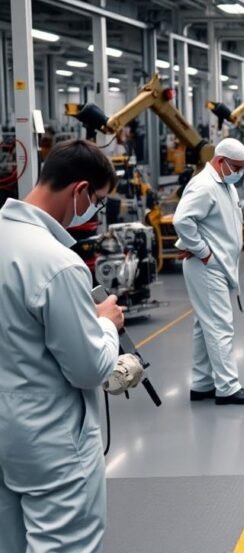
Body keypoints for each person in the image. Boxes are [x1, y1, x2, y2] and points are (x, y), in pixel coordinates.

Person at [0, 139, 144, 553]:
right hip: (50, 436)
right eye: (97, 201)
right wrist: (106, 324)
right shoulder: (56, 262)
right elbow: (88, 368)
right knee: (65, 543)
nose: (95, 211)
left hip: (7, 428)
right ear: (79, 190)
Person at [174, 138, 244, 405]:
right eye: (235, 167)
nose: (239, 172)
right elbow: (182, 219)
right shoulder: (204, 186)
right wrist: (202, 251)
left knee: (204, 324)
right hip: (207, 266)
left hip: (218, 264)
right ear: (220, 161)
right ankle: (228, 387)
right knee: (221, 326)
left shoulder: (224, 184)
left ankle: (202, 383)